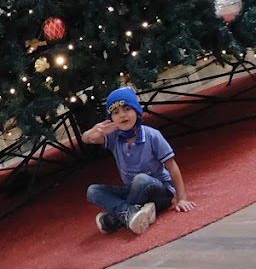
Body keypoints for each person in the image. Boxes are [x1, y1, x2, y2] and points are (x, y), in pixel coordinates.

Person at [82, 87, 195, 235]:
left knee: (141, 179)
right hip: (133, 191)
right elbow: (86, 139)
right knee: (93, 191)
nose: (122, 115)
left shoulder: (152, 135)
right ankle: (132, 213)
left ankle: (117, 217)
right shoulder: (114, 137)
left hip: (159, 191)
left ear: (136, 110)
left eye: (127, 109)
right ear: (111, 119)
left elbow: (172, 166)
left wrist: (181, 198)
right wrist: (92, 132)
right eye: (116, 112)